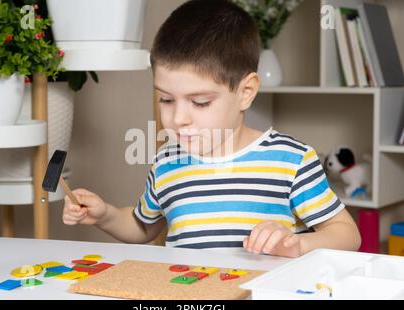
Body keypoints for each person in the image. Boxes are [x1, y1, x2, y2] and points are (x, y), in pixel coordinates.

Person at [62, 0, 361, 258]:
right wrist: (105, 215)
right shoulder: (168, 161)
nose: (178, 118)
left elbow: (347, 234)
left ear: (246, 92)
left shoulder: (291, 160)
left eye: (200, 102)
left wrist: (298, 244)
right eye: (166, 99)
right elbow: (144, 226)